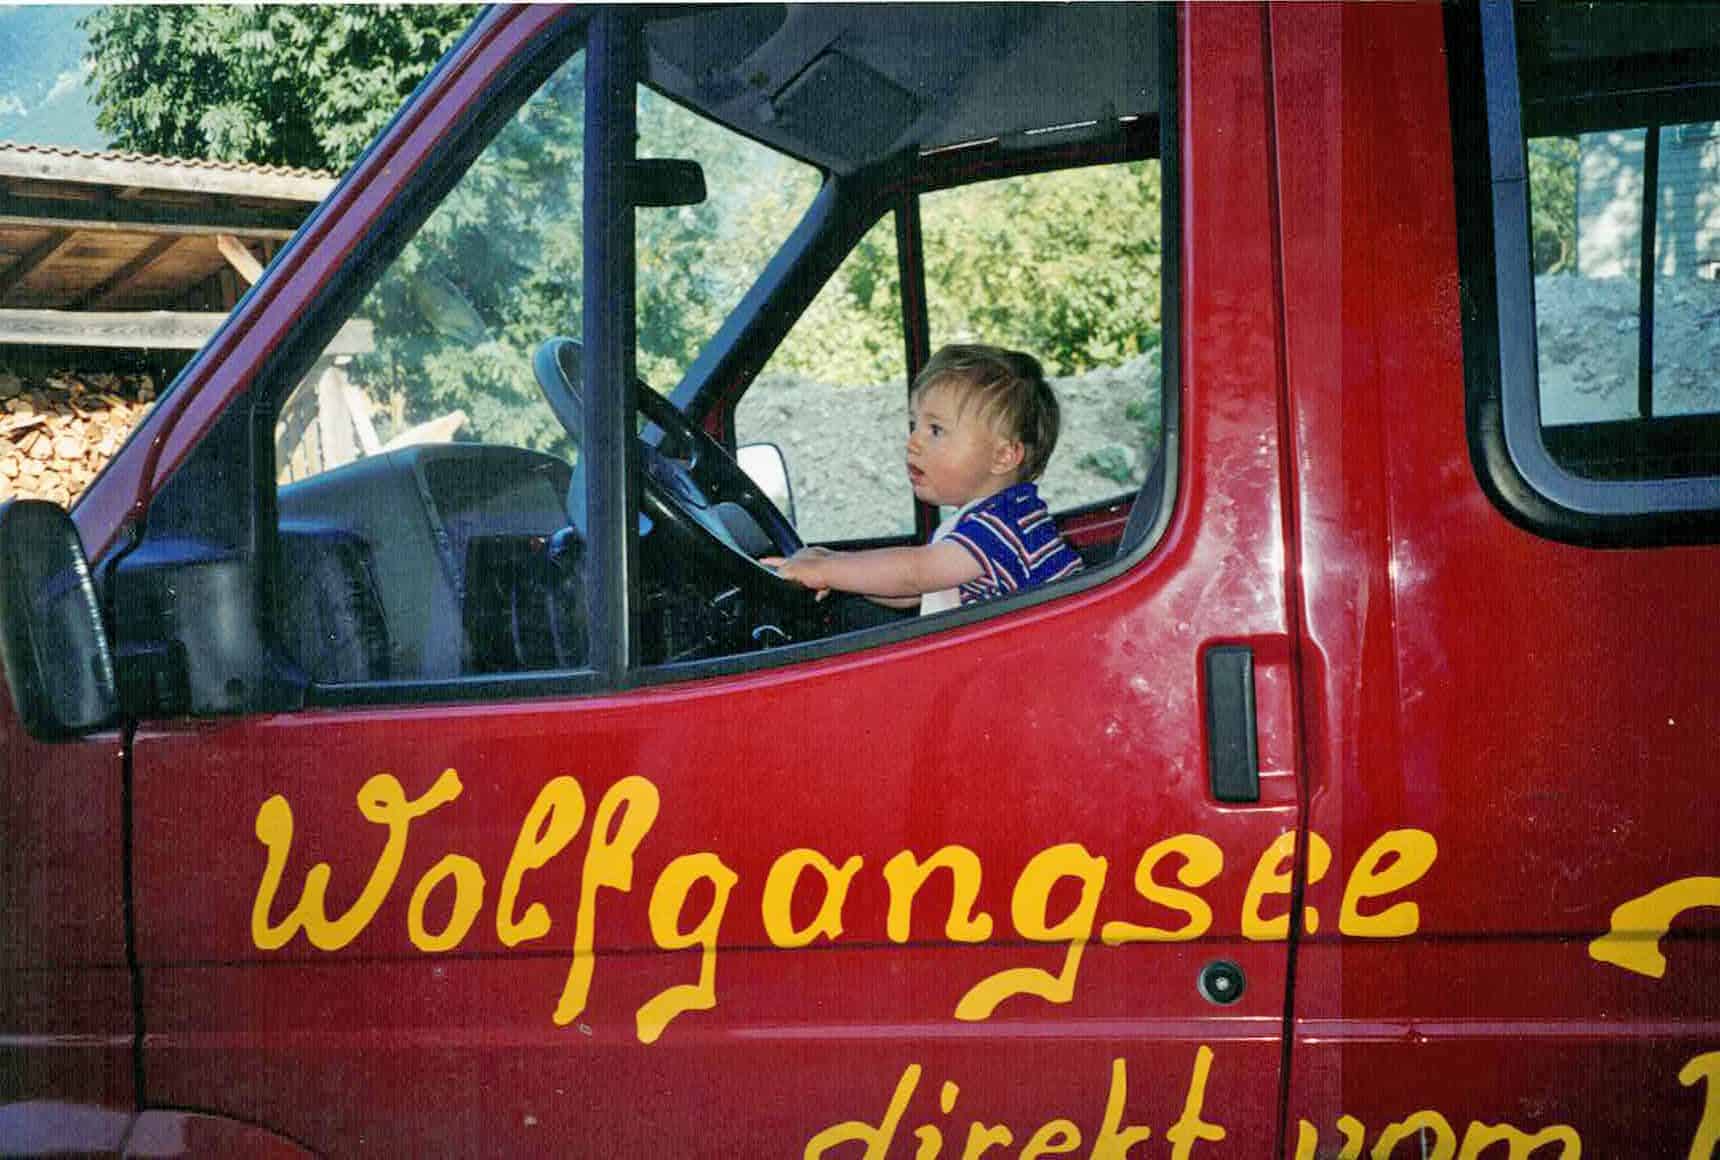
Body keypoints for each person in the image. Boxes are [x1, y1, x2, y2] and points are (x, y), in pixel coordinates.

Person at [763, 344, 1082, 614]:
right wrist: (833, 565)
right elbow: (914, 592)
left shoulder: (1003, 526)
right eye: (915, 425)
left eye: (936, 430)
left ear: (1003, 456)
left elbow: (914, 574)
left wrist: (824, 570)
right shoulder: (1001, 515)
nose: (913, 442)